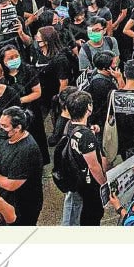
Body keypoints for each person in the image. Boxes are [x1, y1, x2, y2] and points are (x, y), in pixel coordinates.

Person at [0, 106, 44, 225]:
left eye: (5, 126)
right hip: (3, 198)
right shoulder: (4, 138)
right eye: (0, 124)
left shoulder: (27, 150)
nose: (0, 128)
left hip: (23, 205)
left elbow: (11, 184)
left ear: (18, 128)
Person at [58, 89, 107, 226]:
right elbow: (93, 166)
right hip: (88, 184)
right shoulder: (86, 136)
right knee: (92, 215)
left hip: (74, 178)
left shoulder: (68, 125)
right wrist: (104, 184)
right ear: (88, 108)